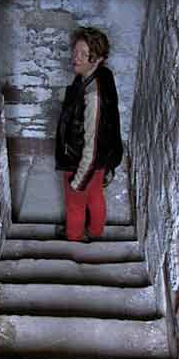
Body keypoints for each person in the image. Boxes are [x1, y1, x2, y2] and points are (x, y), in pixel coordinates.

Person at [55, 27, 123, 242]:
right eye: (76, 51)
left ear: (98, 59)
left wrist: (79, 179)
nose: (76, 58)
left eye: (85, 54)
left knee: (75, 203)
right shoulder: (100, 75)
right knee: (95, 195)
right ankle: (95, 232)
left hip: (82, 161)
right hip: (101, 161)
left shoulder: (93, 97)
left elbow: (91, 142)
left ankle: (73, 240)